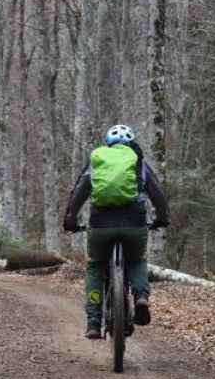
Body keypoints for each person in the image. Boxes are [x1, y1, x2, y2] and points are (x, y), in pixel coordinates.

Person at [63, 124, 170, 339]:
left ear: (107, 143)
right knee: (137, 260)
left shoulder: (97, 161)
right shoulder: (139, 163)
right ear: (131, 143)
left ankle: (94, 321)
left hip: (100, 223)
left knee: (95, 267)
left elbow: (79, 193)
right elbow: (158, 195)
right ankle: (141, 297)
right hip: (134, 222)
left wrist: (70, 220)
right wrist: (162, 218)